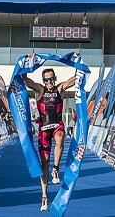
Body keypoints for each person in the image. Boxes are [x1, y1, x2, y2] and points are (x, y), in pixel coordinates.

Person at [21, 61, 76, 211]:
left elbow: (76, 78)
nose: (49, 82)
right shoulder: (39, 89)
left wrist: (78, 63)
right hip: (43, 129)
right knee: (44, 163)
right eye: (46, 80)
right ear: (43, 80)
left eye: (51, 79)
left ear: (55, 78)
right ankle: (44, 197)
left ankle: (56, 169)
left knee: (60, 139)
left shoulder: (61, 88)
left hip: (57, 124)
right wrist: (26, 63)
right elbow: (25, 80)